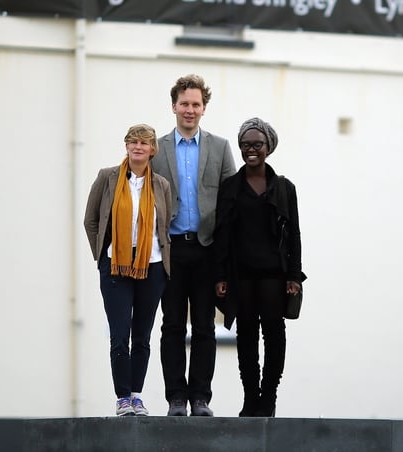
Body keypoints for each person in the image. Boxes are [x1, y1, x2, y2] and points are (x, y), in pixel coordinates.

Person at [154, 74, 236, 416]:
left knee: (204, 325)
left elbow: (231, 200)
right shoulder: (157, 149)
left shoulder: (219, 147)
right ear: (174, 106)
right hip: (170, 250)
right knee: (172, 324)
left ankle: (201, 398)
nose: (190, 110)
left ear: (204, 108)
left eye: (196, 104)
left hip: (206, 249)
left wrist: (228, 254)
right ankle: (175, 397)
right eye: (184, 103)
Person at [213, 117, 305, 417]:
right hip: (242, 275)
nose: (251, 150)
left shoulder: (284, 187)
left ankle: (269, 397)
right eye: (245, 145)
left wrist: (294, 275)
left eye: (257, 144)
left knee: (275, 335)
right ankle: (251, 398)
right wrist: (221, 275)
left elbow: (294, 234)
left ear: (269, 147)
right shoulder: (230, 187)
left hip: (274, 277)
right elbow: (222, 234)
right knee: (246, 338)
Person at [83, 124, 172, 416]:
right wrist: (103, 255)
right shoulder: (107, 177)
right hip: (116, 266)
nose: (137, 147)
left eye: (144, 143)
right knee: (120, 333)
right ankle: (122, 397)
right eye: (133, 141)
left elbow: (165, 224)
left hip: (153, 265)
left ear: (152, 150)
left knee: (143, 335)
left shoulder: (161, 185)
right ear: (126, 146)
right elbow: (91, 220)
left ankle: (136, 395)